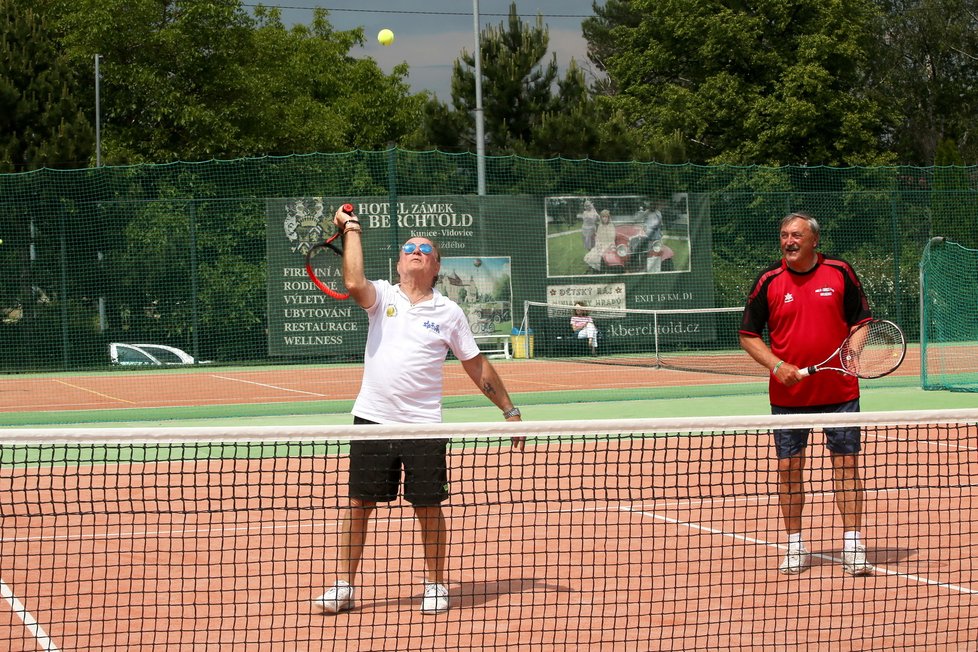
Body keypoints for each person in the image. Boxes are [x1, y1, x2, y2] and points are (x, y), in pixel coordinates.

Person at [313, 206, 525, 615]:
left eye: (424, 248)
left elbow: (476, 364)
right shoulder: (383, 296)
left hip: (423, 425)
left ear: (436, 265)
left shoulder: (449, 312)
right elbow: (353, 281)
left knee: (428, 506)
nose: (415, 250)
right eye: (408, 247)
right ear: (398, 262)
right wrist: (350, 229)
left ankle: (435, 584)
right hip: (372, 420)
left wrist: (509, 410)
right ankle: (344, 586)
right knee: (359, 504)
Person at [738, 212, 874, 577]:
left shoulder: (840, 272)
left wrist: (853, 353)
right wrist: (776, 366)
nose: (789, 241)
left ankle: (853, 545)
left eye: (796, 235)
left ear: (815, 240)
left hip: (840, 391)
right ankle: (795, 545)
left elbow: (861, 322)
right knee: (788, 469)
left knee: (846, 466)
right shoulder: (769, 280)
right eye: (784, 235)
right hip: (789, 398)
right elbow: (748, 335)